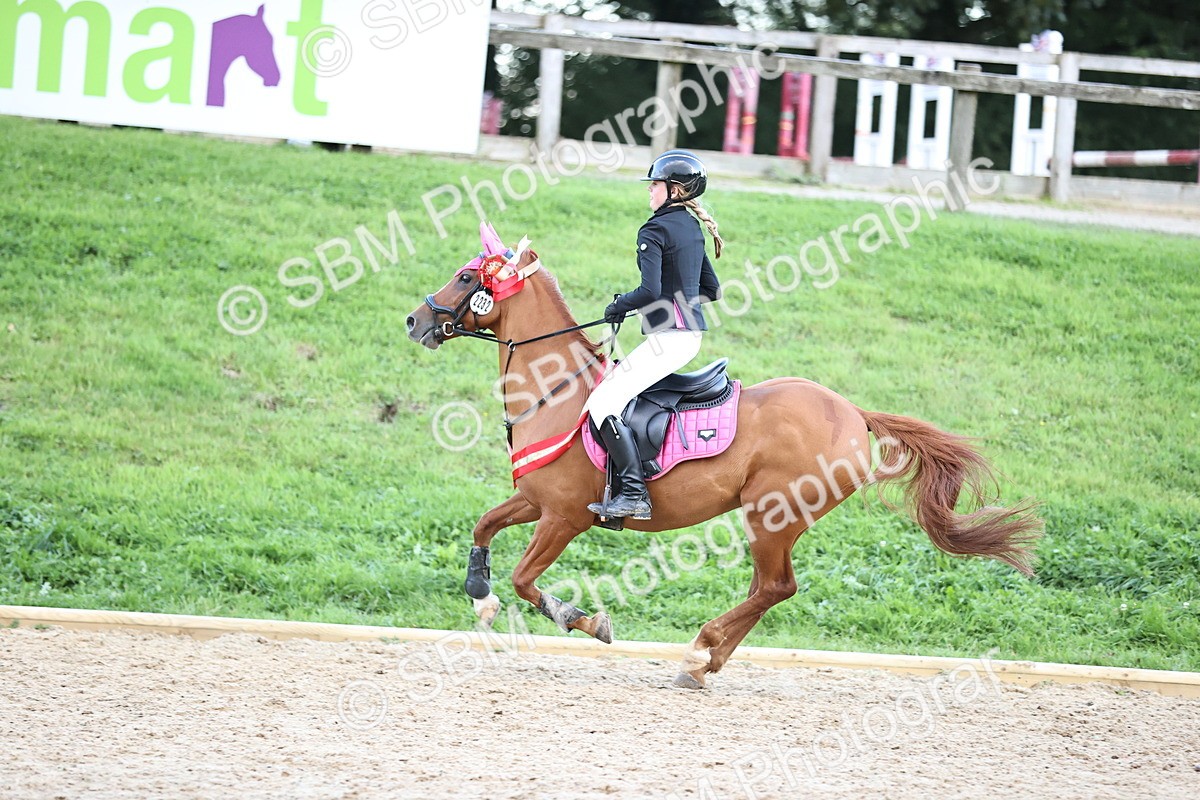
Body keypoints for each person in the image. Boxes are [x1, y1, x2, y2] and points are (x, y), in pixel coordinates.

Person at [585, 149, 724, 520]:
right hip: (688, 337)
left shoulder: (654, 229)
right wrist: (674, 299)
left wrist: (620, 305)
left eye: (655, 185)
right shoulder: (690, 227)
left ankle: (634, 494)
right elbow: (711, 289)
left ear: (674, 190)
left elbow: (649, 291)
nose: (649, 190)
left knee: (602, 403)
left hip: (671, 340)